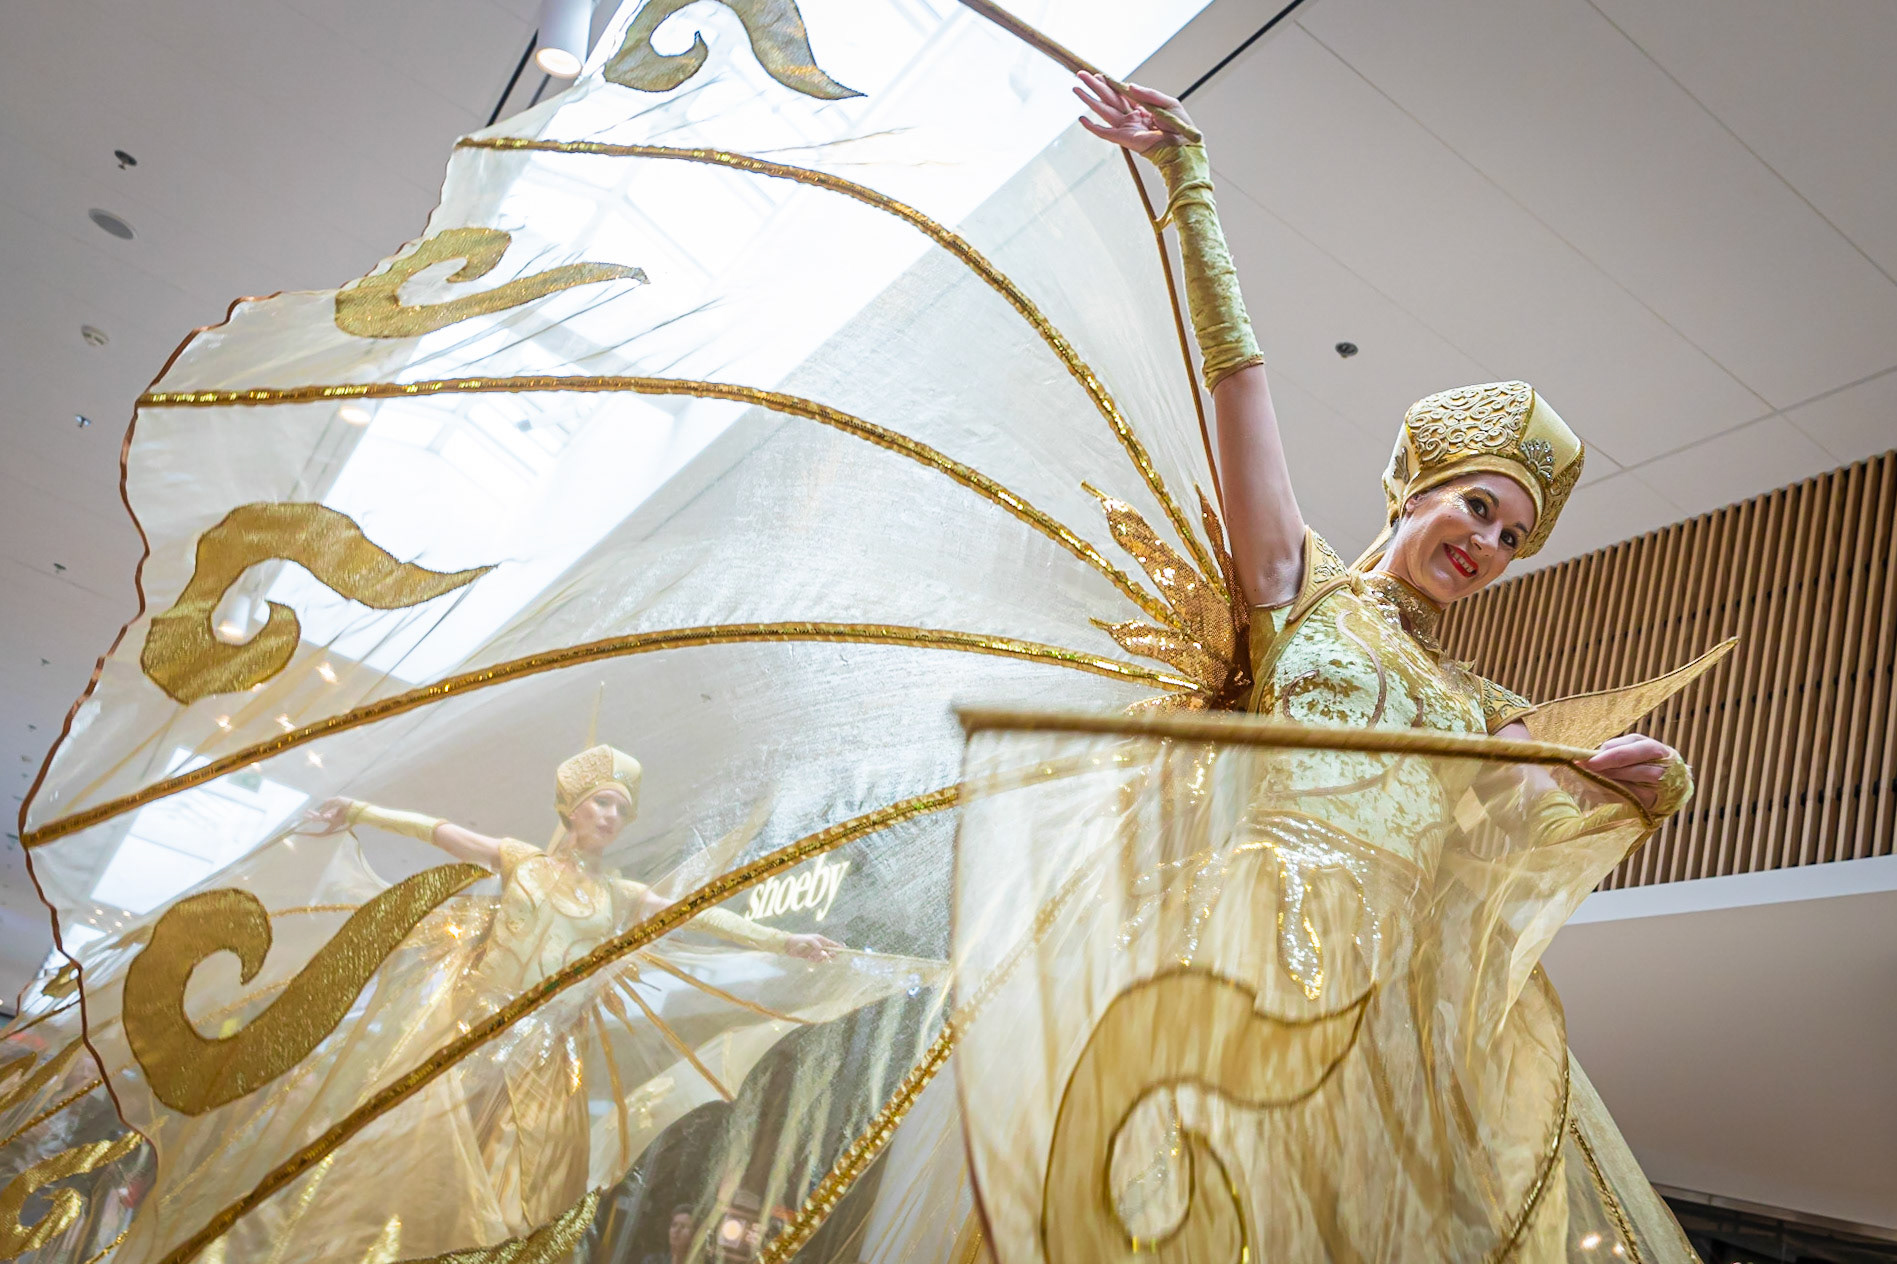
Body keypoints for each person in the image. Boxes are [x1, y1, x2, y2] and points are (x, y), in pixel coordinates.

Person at [957, 72, 1701, 1260]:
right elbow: (1237, 392)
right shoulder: (1297, 592)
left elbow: (1537, 790)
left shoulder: (1479, 705)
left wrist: (1635, 781)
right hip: (1245, 937)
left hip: (1386, 1013)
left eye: (1514, 538)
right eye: (1478, 506)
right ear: (1413, 488)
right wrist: (1190, 188)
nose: (1491, 545)